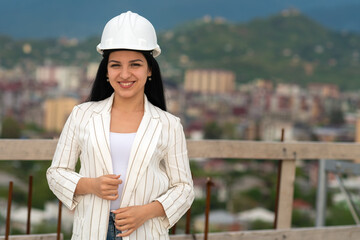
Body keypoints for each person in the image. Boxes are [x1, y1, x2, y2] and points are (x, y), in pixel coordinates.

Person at [46, 11, 194, 240]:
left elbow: (184, 188)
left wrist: (146, 212)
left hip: (143, 232)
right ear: (106, 71)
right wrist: (90, 185)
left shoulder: (169, 125)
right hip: (90, 230)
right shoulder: (81, 115)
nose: (125, 74)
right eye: (116, 65)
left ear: (150, 69)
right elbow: (56, 173)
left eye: (135, 64)